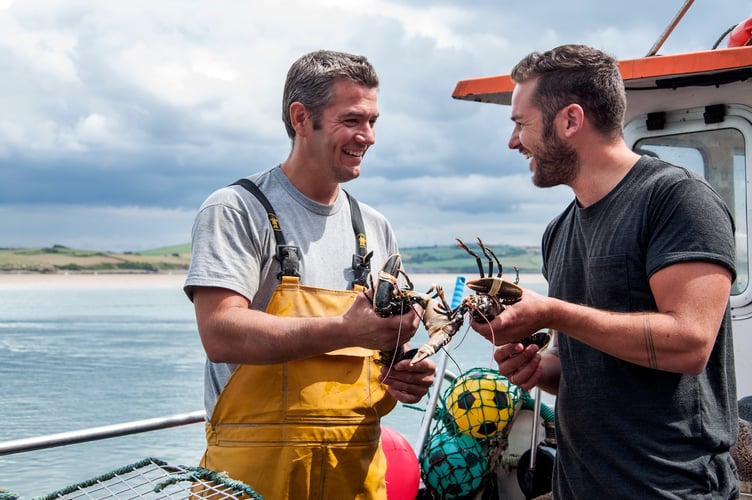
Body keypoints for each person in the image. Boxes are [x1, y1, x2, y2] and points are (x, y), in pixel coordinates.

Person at [471, 44, 739, 498]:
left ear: (570, 120)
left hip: (670, 488)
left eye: (520, 124)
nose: (513, 141)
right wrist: (538, 369)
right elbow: (579, 365)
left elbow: (691, 344)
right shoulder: (559, 231)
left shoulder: (676, 200)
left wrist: (553, 312)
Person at [184, 49, 435, 499]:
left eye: (373, 121)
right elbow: (220, 333)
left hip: (354, 476)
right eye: (353, 120)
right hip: (251, 480)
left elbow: (379, 354)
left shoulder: (375, 228)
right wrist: (344, 329)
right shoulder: (237, 209)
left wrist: (403, 374)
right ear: (301, 117)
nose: (369, 136)